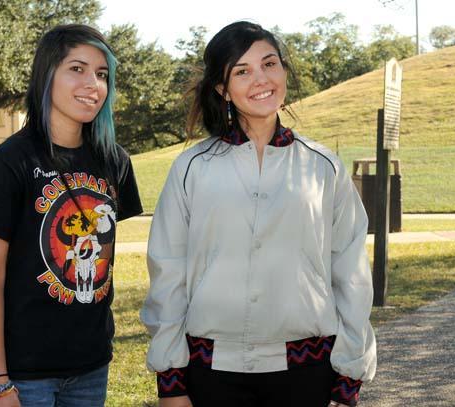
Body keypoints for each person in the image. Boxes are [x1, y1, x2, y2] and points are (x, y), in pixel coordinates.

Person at [141, 21, 376, 407]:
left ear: (283, 70)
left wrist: (349, 377)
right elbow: (168, 273)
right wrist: (171, 381)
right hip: (211, 373)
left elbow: (350, 273)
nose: (260, 79)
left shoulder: (323, 167)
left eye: (269, 64)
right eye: (242, 71)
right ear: (223, 89)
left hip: (308, 374)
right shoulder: (192, 168)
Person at [0, 24, 142, 406]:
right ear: (47, 74)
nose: (93, 84)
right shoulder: (8, 163)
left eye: (102, 74)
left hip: (91, 369)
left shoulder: (113, 161)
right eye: (77, 68)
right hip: (23, 375)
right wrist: (0, 381)